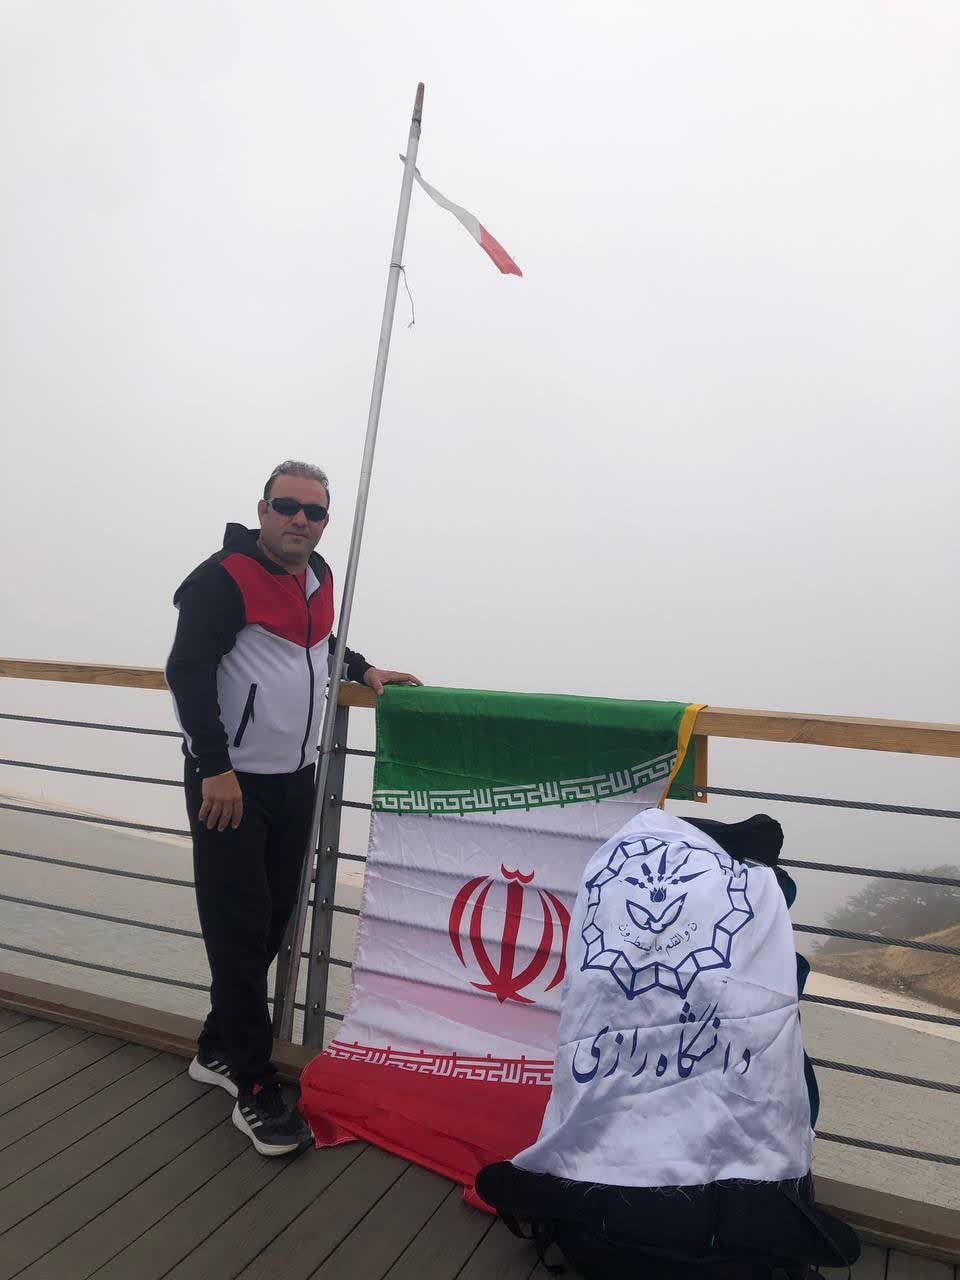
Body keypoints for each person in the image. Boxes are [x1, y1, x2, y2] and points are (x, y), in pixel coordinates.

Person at [166, 459, 421, 1156]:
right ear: (262, 509)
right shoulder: (221, 580)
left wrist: (363, 668)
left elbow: (318, 644)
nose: (300, 521)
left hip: (295, 779)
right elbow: (186, 672)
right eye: (287, 507)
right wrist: (214, 767)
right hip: (230, 786)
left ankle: (217, 1047)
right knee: (239, 928)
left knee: (273, 922)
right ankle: (254, 1087)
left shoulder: (319, 577)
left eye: (314, 512)